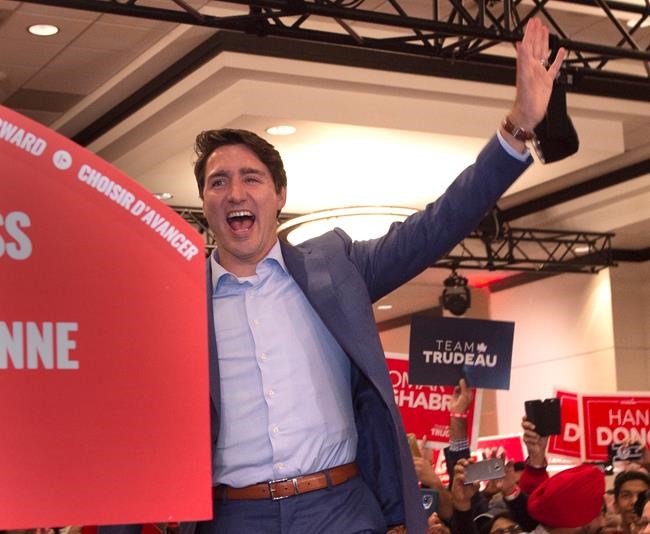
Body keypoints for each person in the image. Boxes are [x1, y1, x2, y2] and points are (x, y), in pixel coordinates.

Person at [103, 17, 565, 534]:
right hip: (233, 516)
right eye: (218, 182)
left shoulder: (336, 267)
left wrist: (519, 126)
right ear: (204, 203)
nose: (235, 193)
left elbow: (438, 224)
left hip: (339, 509)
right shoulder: (172, 302)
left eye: (251, 178)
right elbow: (130, 427)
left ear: (279, 195)